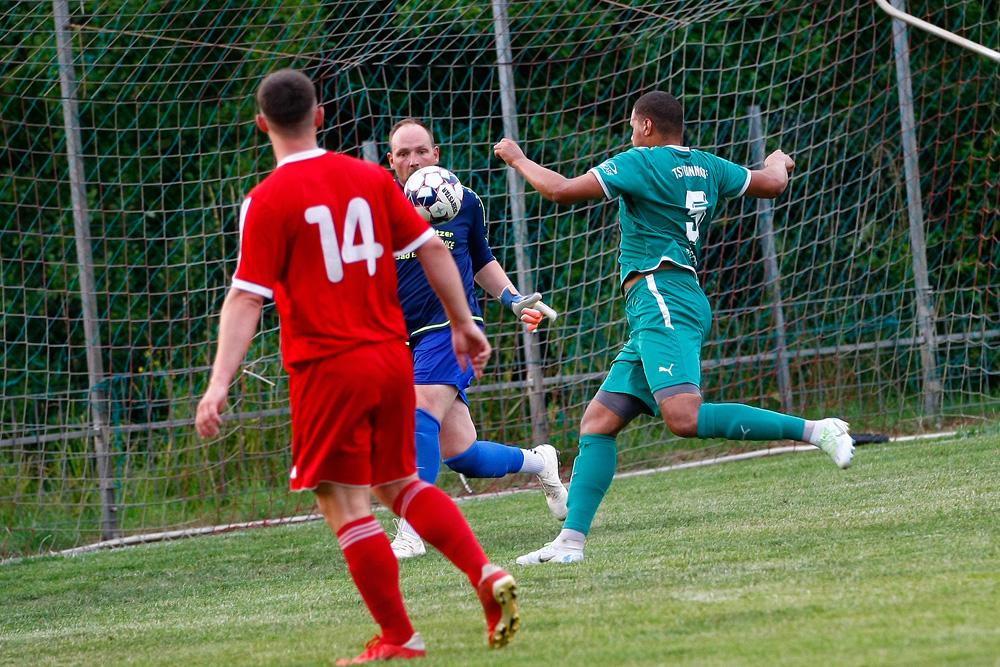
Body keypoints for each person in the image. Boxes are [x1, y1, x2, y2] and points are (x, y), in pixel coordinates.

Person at [195, 69, 519, 663]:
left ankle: (399, 637)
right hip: (389, 358)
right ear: (320, 117)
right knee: (400, 484)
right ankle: (483, 572)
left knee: (343, 500)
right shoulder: (370, 179)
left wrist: (219, 384)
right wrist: (464, 321)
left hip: (327, 368)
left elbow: (246, 297)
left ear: (262, 124)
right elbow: (431, 247)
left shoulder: (266, 200)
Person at [493, 91, 855, 566]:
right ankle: (570, 543)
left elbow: (559, 190)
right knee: (598, 424)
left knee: (682, 417)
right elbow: (772, 182)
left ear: (645, 126)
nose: (629, 131)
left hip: (662, 295)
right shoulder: (706, 164)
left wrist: (518, 158)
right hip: (665, 303)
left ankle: (816, 430)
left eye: (630, 124)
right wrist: (777, 159)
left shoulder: (640, 162)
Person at [384, 118, 568, 559]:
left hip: (455, 328)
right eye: (403, 154)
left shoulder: (465, 201)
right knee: (461, 453)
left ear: (437, 154)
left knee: (418, 412)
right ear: (390, 161)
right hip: (401, 340)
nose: (413, 160)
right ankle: (540, 461)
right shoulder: (376, 206)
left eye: (421, 151)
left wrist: (512, 298)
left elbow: (482, 259)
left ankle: (411, 529)